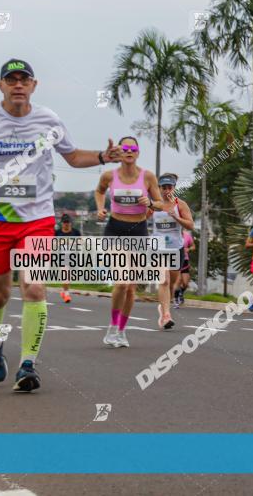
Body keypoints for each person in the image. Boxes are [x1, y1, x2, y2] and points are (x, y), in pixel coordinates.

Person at [0, 58, 122, 391]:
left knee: (34, 287)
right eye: (11, 79)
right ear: (0, 85)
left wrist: (104, 157)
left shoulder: (49, 120)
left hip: (38, 219)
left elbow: (73, 157)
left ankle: (28, 365)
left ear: (34, 85)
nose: (18, 84)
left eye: (24, 79)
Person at [95, 136, 161, 346]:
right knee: (122, 281)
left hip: (138, 231)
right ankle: (112, 327)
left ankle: (121, 331)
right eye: (125, 148)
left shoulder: (148, 177)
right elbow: (99, 191)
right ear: (120, 152)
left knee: (131, 288)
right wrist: (100, 208)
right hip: (115, 229)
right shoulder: (109, 175)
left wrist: (150, 202)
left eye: (133, 148)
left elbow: (160, 204)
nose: (129, 151)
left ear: (138, 152)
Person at [150, 174, 194, 328]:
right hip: (158, 248)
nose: (167, 190)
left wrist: (177, 218)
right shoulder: (155, 205)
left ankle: (163, 307)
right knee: (164, 280)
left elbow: (190, 225)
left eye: (170, 187)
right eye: (164, 188)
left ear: (174, 188)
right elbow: (141, 218)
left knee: (172, 283)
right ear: (159, 189)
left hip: (176, 249)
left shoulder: (180, 205)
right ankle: (166, 316)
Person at [53, 214, 81, 303]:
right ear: (62, 223)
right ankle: (66, 294)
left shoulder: (76, 232)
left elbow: (80, 243)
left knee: (70, 277)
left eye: (68, 222)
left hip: (73, 257)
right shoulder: (57, 233)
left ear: (70, 223)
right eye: (65, 222)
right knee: (65, 274)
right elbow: (53, 244)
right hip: (61, 257)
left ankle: (64, 291)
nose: (66, 224)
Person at [173, 229, 194, 308]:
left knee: (185, 283)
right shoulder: (173, 235)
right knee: (178, 281)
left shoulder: (187, 236)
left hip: (185, 260)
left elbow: (193, 246)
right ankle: (176, 300)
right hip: (175, 260)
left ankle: (180, 293)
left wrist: (189, 249)